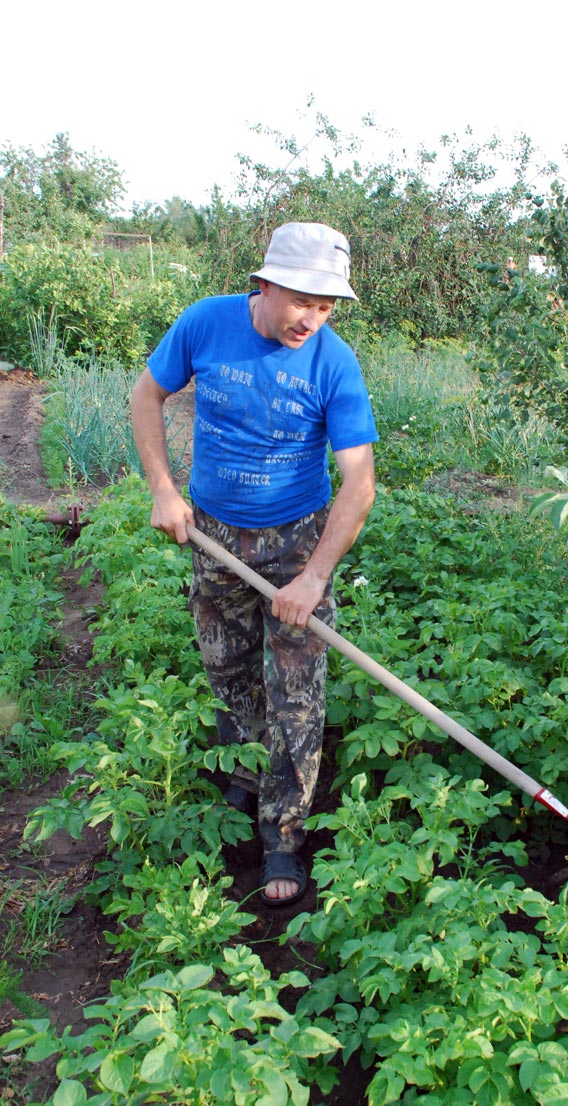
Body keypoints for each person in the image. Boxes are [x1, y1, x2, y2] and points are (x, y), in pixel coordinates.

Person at [130, 221, 378, 908]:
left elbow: (359, 482)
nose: (312, 318)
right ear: (263, 283)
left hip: (295, 540)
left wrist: (314, 576)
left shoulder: (333, 361)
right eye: (302, 299)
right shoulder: (204, 324)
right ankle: (241, 764)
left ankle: (283, 831)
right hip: (211, 532)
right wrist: (162, 488)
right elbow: (146, 396)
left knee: (296, 689)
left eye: (327, 306)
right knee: (227, 664)